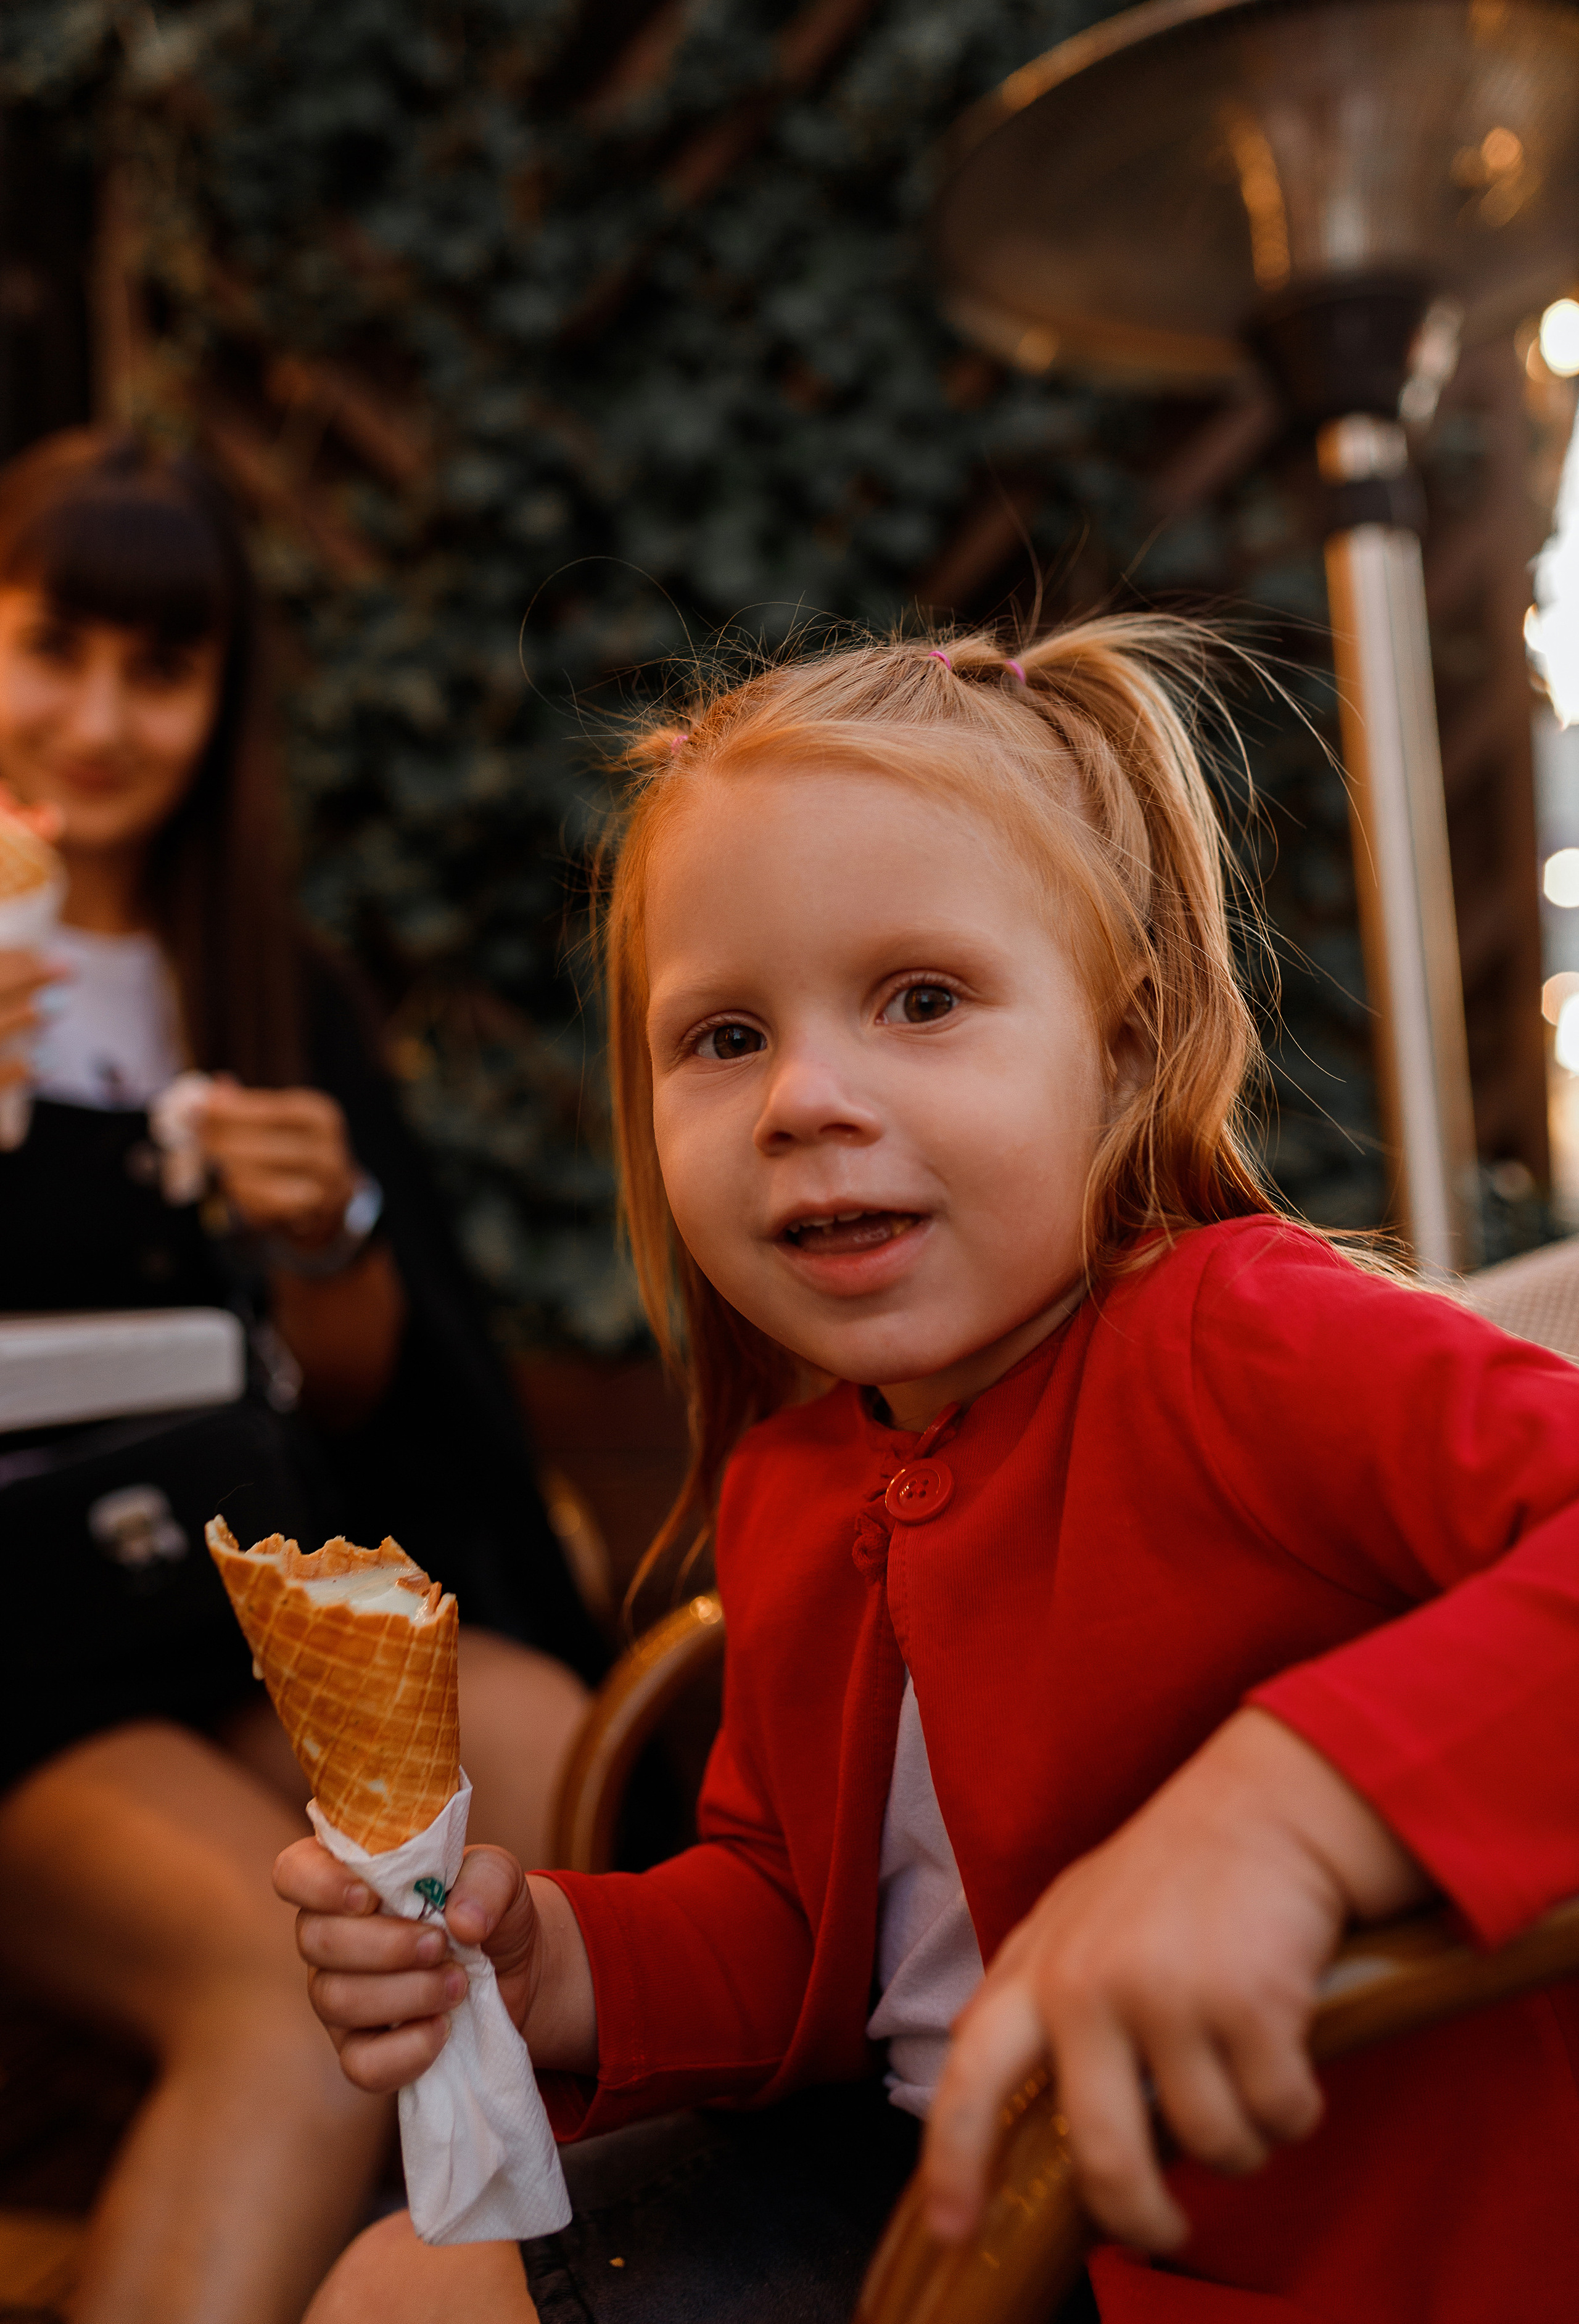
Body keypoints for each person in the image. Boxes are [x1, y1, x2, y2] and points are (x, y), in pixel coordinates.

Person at [282, 620, 1579, 2324]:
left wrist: (1287, 1820)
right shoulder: (801, 1479)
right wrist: (564, 1965)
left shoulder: (1244, 1341)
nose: (807, 1097)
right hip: (925, 2179)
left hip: (1279, 2251)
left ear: (1124, 1042)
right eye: (723, 1037)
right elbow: (800, 1929)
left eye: (923, 1000)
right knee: (397, 2290)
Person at [0, 429, 604, 2324]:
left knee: (562, 1763)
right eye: (51, 648)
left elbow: (363, 1403)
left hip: (205, 1623)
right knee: (291, 1970)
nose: (98, 719)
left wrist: (330, 1224)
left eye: (160, 671)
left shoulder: (269, 986)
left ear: (224, 700)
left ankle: (556, 2278)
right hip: (16, 1670)